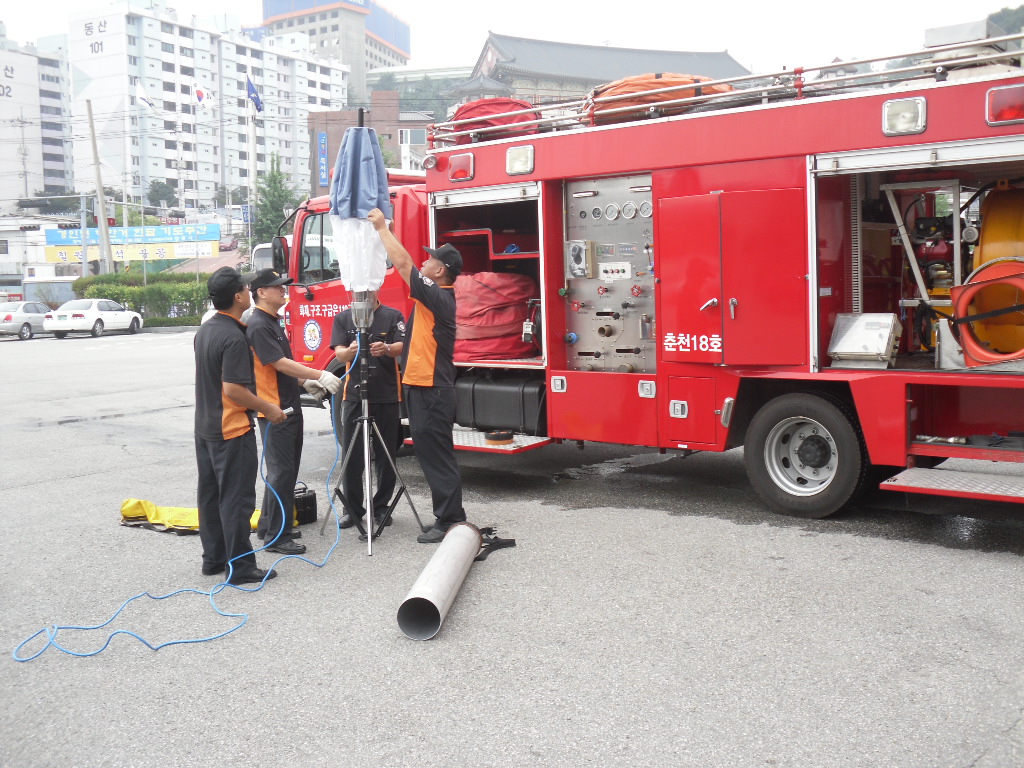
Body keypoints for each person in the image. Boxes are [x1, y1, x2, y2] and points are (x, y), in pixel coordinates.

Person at [367, 208, 467, 543]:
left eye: (431, 260)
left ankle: (450, 519)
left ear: (440, 271)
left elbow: (404, 265)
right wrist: (390, 350)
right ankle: (448, 515)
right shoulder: (430, 301)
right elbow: (414, 343)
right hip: (421, 387)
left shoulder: (439, 296)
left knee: (436, 455)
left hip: (431, 390)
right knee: (429, 453)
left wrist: (382, 229)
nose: (424, 261)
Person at [194, 266, 285, 585]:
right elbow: (233, 389)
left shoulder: (206, 330)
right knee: (236, 499)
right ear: (237, 296)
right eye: (246, 289)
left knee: (210, 496)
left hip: (205, 428)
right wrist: (268, 408)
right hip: (231, 429)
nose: (249, 292)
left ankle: (214, 558)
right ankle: (241, 567)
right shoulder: (234, 337)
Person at [245, 268, 343, 554]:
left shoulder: (271, 321)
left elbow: (283, 365)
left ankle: (269, 524)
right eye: (277, 286)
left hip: (287, 403)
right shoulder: (259, 324)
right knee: (281, 473)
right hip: (275, 409)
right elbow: (278, 363)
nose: (283, 290)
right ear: (261, 292)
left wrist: (304, 382)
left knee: (283, 472)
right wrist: (319, 374)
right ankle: (277, 536)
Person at [329, 291, 406, 530]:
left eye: (367, 291)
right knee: (352, 454)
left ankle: (381, 507)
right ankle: (352, 510)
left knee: (386, 453)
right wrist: (350, 350)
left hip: (386, 394)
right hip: (354, 395)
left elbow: (402, 346)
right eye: (358, 291)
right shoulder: (344, 318)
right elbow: (338, 352)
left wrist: (387, 348)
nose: (363, 295)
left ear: (376, 289)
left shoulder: (392, 316)